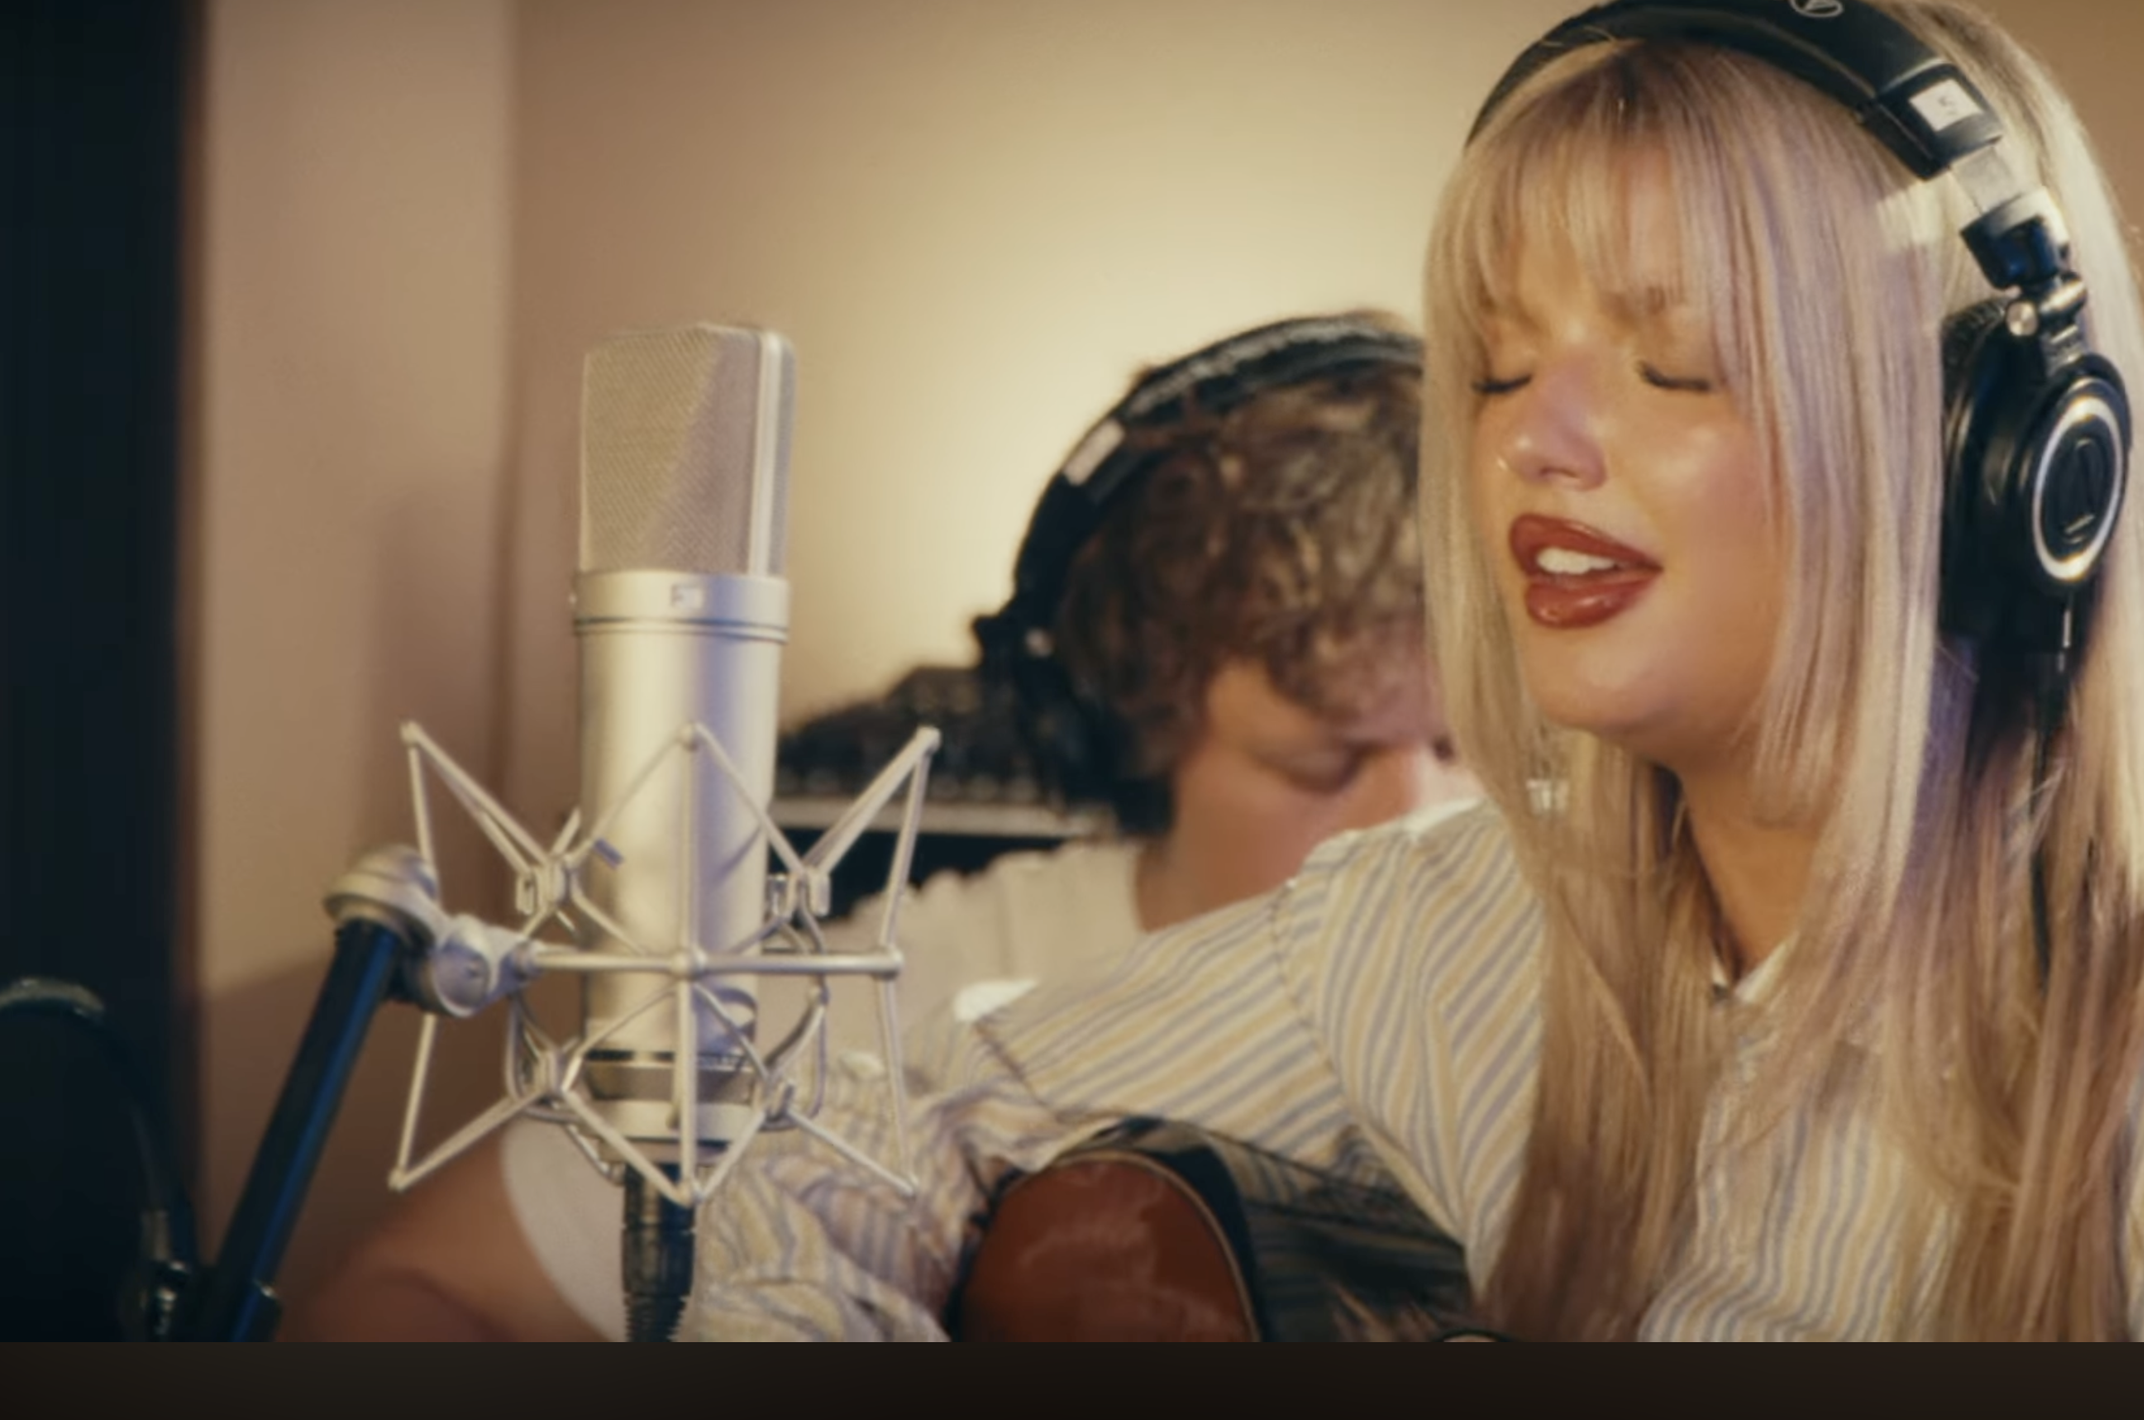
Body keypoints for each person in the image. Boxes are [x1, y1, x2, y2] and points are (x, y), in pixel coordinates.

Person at [680, 0, 2144, 1342]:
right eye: (1494, 362)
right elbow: (861, 1121)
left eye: (1671, 358)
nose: (1530, 445)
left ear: (1998, 457)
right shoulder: (1447, 933)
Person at [284, 312, 1477, 1341]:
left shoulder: (1584, 981)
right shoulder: (911, 1001)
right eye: (1319, 759)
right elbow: (416, 1289)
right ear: (1142, 731)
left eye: (1468, 748)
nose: (1413, 821)